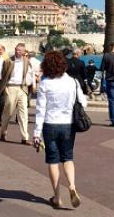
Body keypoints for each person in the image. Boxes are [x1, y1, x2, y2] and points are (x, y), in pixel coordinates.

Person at [33, 50, 87, 209]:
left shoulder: (45, 83)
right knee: (68, 158)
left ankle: (57, 197)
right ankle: (72, 186)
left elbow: (40, 109)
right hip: (68, 124)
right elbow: (83, 102)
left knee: (53, 160)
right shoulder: (72, 82)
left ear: (46, 66)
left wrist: (36, 133)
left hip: (50, 124)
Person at [0, 43, 36, 144]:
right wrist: (5, 88)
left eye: (20, 50)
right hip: (10, 88)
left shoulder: (27, 62)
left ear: (24, 52)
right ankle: (3, 132)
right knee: (8, 112)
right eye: (16, 49)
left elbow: (30, 73)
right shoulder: (8, 61)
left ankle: (25, 138)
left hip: (22, 88)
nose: (17, 51)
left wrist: (31, 85)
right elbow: (3, 75)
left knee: (23, 113)